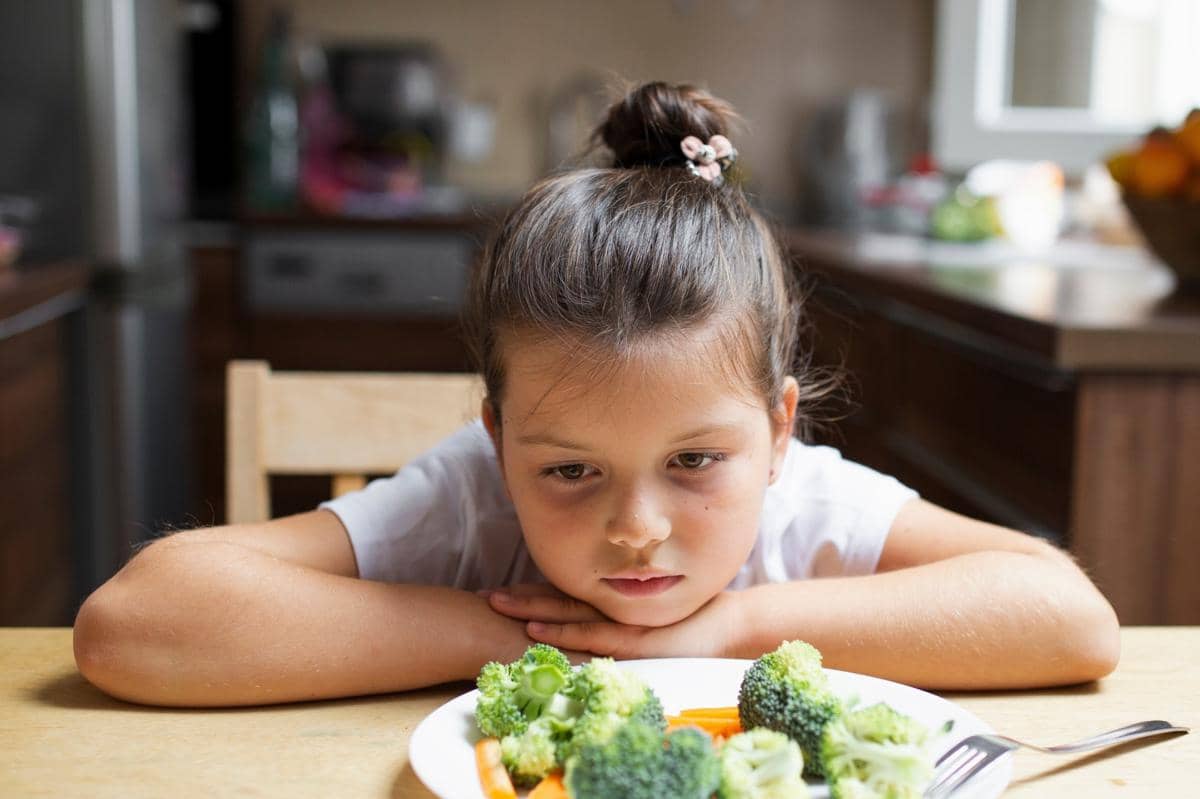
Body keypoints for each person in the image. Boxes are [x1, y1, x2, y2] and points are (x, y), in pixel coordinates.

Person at [73, 81, 1119, 708]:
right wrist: (524, 639)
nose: (635, 528)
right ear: (496, 439)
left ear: (778, 429)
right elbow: (134, 623)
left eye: (696, 462)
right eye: (569, 469)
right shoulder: (469, 499)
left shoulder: (811, 508)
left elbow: (1070, 618)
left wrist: (724, 630)